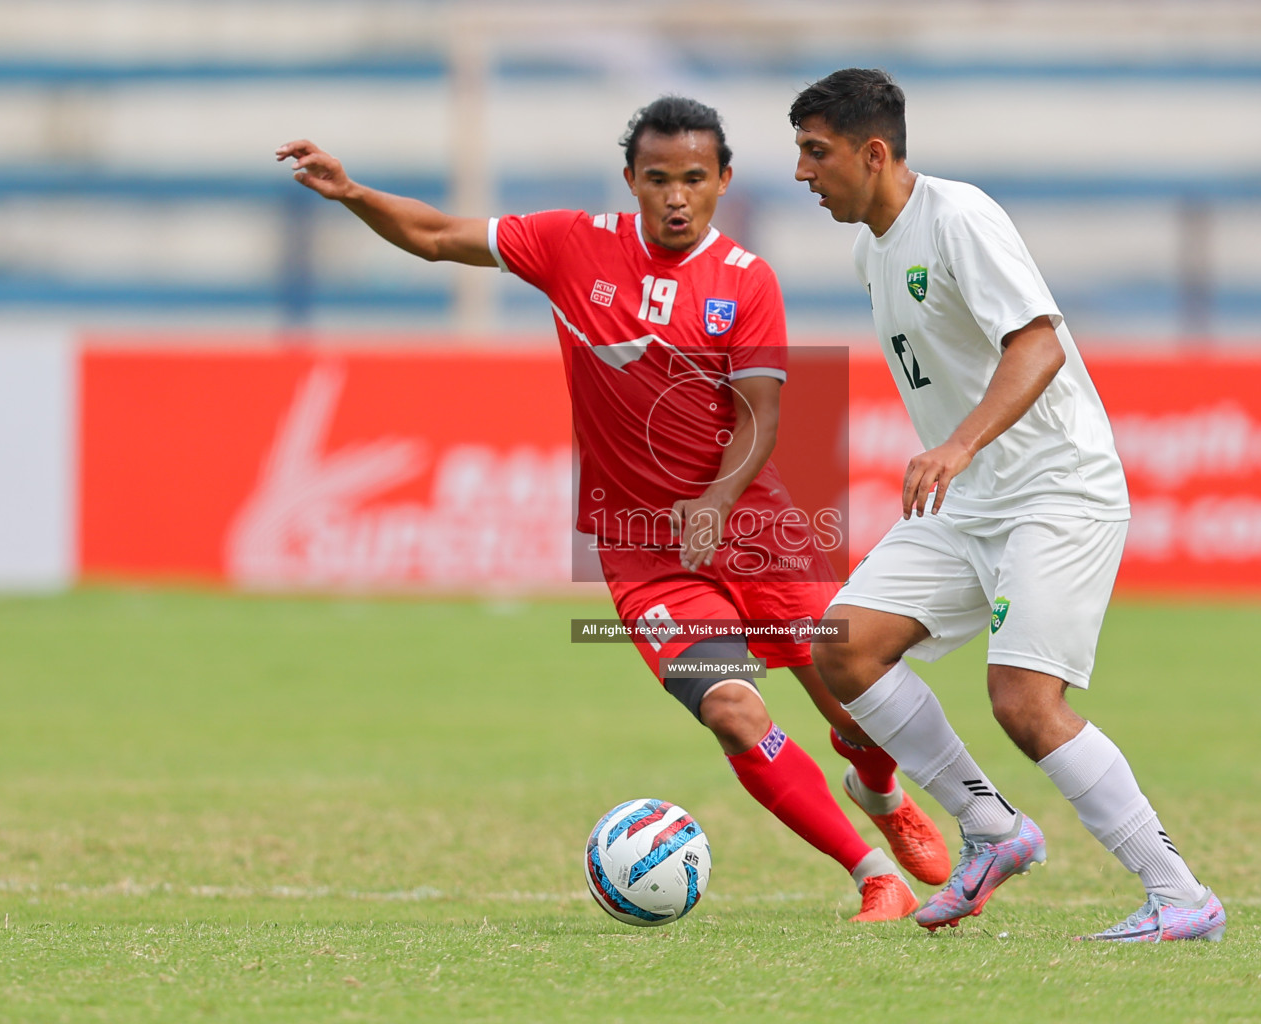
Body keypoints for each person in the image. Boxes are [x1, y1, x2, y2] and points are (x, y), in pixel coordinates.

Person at [276, 95, 949, 921]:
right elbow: (436, 236)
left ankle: (879, 789)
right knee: (734, 711)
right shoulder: (571, 244)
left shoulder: (745, 280)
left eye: (694, 179)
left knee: (851, 691)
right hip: (643, 552)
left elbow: (760, 413)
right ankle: (872, 873)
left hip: (759, 532)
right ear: (630, 180)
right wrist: (353, 195)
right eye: (657, 178)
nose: (675, 196)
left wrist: (716, 499)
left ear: (723, 181)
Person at [789, 69, 1226, 941]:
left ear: (873, 154)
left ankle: (1180, 895)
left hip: (1056, 488)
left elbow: (1038, 348)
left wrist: (957, 444)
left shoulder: (960, 219)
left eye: (816, 151)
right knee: (844, 649)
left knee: (1024, 702)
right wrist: (961, 460)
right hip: (972, 500)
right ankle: (989, 828)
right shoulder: (870, 248)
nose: (803, 173)